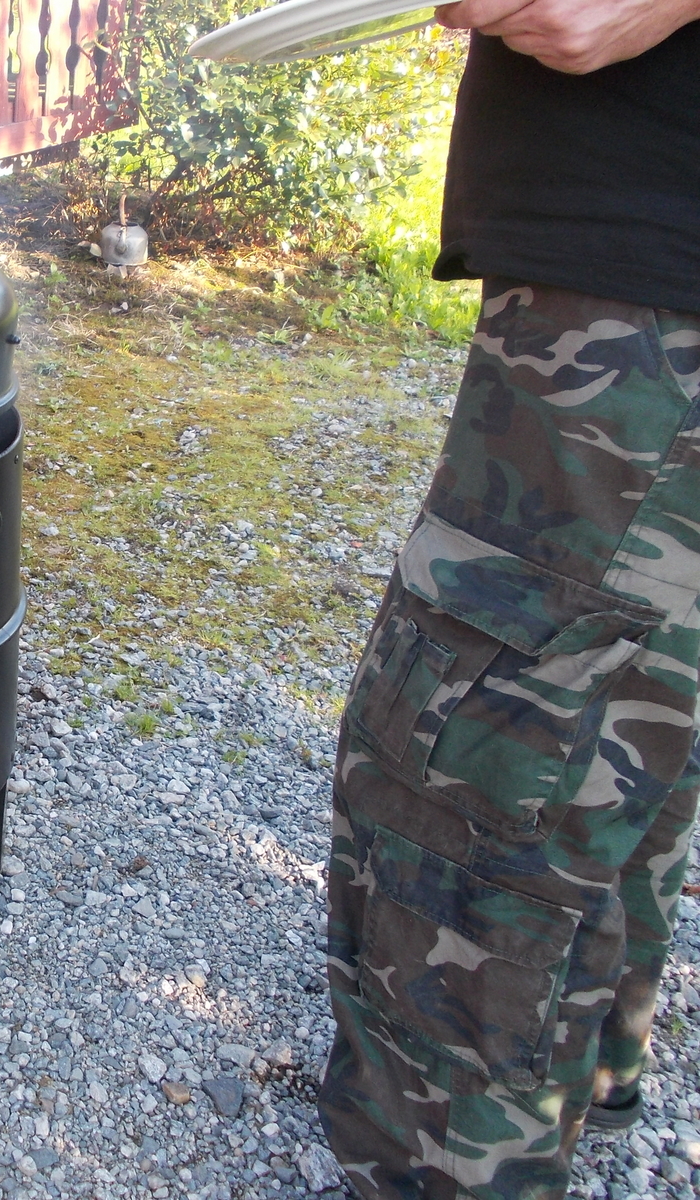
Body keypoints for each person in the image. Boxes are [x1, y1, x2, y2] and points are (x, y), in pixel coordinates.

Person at [319, 0, 700, 1195]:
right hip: (645, 271)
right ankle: (580, 1084)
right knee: (627, 741)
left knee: (471, 777)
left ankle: (447, 1167)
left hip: (646, 305)